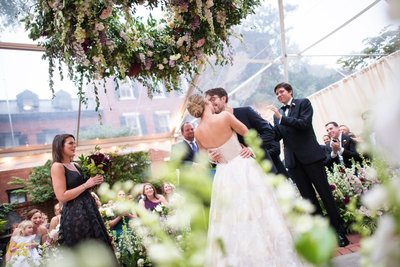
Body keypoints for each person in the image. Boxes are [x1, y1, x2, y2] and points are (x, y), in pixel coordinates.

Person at [187, 94, 306, 266]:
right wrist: (250, 148)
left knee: (232, 219)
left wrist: (213, 157)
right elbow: (249, 134)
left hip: (223, 174)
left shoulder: (197, 131)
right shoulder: (225, 116)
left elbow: (206, 156)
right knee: (260, 210)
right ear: (206, 103)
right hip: (243, 166)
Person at [269, 82, 349, 247]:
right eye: (276, 93)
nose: (279, 95)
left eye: (281, 91)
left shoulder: (303, 103)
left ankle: (340, 232)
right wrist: (264, 127)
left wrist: (282, 118)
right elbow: (277, 136)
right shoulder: (278, 115)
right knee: (309, 201)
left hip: (311, 157)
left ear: (290, 91)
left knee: (325, 195)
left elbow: (303, 124)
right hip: (294, 162)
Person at [50, 134, 114, 251]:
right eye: (70, 143)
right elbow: (61, 196)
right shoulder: (57, 166)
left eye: (74, 143)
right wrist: (86, 185)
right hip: (75, 214)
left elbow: (84, 188)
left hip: (90, 210)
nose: (74, 145)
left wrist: (95, 180)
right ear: (60, 146)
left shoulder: (76, 165)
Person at [204, 87, 283, 176]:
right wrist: (212, 159)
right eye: (208, 102)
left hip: (261, 166)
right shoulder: (214, 125)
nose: (210, 103)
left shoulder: (246, 112)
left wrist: (252, 148)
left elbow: (269, 132)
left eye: (213, 99)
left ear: (223, 98)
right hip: (238, 175)